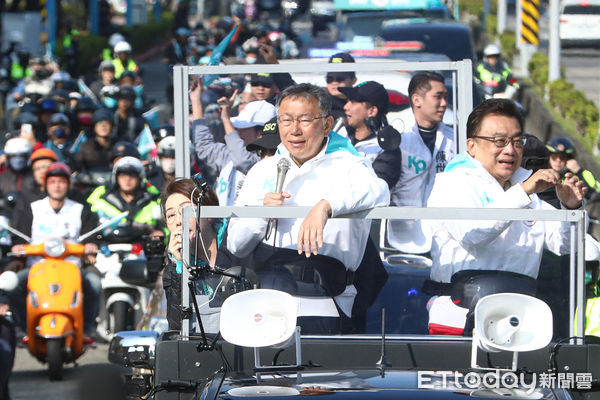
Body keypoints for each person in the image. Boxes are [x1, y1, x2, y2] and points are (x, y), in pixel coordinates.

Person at [227, 83, 390, 334]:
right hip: (269, 297)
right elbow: (237, 245)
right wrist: (261, 214)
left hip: (325, 298)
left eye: (305, 120)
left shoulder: (349, 164)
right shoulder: (263, 170)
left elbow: (379, 191)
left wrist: (326, 207)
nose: (294, 130)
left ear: (326, 125)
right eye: (286, 120)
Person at [425, 99, 586, 336]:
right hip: (459, 315)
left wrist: (570, 208)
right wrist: (522, 192)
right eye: (499, 141)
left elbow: (565, 245)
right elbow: (472, 234)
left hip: (518, 317)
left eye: (517, 141)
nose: (510, 150)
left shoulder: (527, 189)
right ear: (472, 145)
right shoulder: (453, 182)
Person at [8, 162, 102, 339]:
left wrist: (91, 246)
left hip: (72, 266)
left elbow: (90, 234)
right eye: (52, 182)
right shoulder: (34, 208)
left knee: (94, 283)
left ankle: (88, 329)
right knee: (12, 285)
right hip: (38, 266)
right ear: (46, 185)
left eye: (61, 181)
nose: (57, 186)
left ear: (68, 184)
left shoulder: (80, 208)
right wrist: (18, 245)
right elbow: (20, 234)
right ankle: (21, 328)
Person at [161, 178, 244, 331]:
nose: (179, 221)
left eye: (185, 210)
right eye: (171, 215)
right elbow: (177, 327)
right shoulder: (173, 270)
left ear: (209, 212)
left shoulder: (237, 243)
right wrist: (180, 267)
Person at [387, 71, 455, 254]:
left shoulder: (454, 139)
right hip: (399, 234)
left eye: (446, 97)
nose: (444, 104)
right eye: (438, 97)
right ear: (417, 100)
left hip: (443, 236)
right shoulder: (396, 134)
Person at [191, 78, 276, 205]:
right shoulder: (230, 154)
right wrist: (196, 100)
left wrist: (226, 119)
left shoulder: (268, 161)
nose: (236, 131)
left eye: (242, 128)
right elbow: (204, 147)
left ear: (260, 133)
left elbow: (242, 160)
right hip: (224, 223)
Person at [339, 81, 402, 189]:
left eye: (353, 101)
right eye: (347, 101)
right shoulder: (339, 135)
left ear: (372, 111)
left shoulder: (386, 149)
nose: (346, 107)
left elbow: (374, 191)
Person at [86, 156, 163, 236]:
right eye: (123, 175)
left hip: (143, 245)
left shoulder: (153, 201)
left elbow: (167, 227)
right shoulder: (101, 200)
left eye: (132, 175)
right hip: (106, 245)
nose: (127, 179)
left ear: (140, 178)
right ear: (116, 178)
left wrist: (161, 233)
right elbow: (87, 227)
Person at [546, 136, 600, 202]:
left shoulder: (580, 175)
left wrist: (579, 172)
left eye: (562, 157)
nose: (558, 161)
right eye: (554, 157)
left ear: (569, 159)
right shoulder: (541, 171)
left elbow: (596, 193)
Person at [0, 138, 35, 217]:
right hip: (6, 217)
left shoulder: (34, 176)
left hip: (30, 216)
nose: (18, 160)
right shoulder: (2, 177)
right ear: (8, 157)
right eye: (13, 156)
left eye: (21, 156)